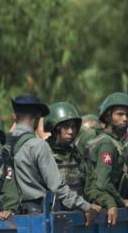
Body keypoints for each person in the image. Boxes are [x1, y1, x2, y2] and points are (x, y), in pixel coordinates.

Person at [8, 94, 97, 225]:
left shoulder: (3, 143)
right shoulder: (38, 145)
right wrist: (85, 206)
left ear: (14, 116)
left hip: (12, 215)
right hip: (38, 216)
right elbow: (56, 187)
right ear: (38, 118)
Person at [84, 92, 128, 226]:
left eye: (127, 115)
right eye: (119, 114)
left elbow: (121, 176)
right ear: (108, 116)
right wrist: (123, 201)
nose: (125, 119)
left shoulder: (114, 142)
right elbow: (102, 183)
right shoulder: (106, 144)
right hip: (98, 197)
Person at [44, 102, 100, 210]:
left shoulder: (76, 153)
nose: (71, 131)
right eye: (66, 127)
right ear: (55, 128)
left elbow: (89, 183)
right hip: (55, 214)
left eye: (73, 127)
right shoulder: (44, 151)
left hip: (79, 212)